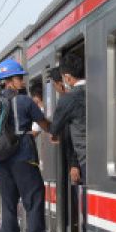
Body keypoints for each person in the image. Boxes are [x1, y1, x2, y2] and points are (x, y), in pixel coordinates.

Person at [0, 58, 52, 232]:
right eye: (19, 78)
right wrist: (55, 131)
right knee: (33, 200)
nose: (23, 82)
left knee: (9, 204)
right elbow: (44, 124)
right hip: (24, 156)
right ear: (8, 81)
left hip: (2, 161)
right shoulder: (25, 101)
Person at [49, 52, 87, 187]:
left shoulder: (68, 99)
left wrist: (53, 135)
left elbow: (54, 128)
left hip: (85, 158)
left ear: (68, 78)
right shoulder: (98, 90)